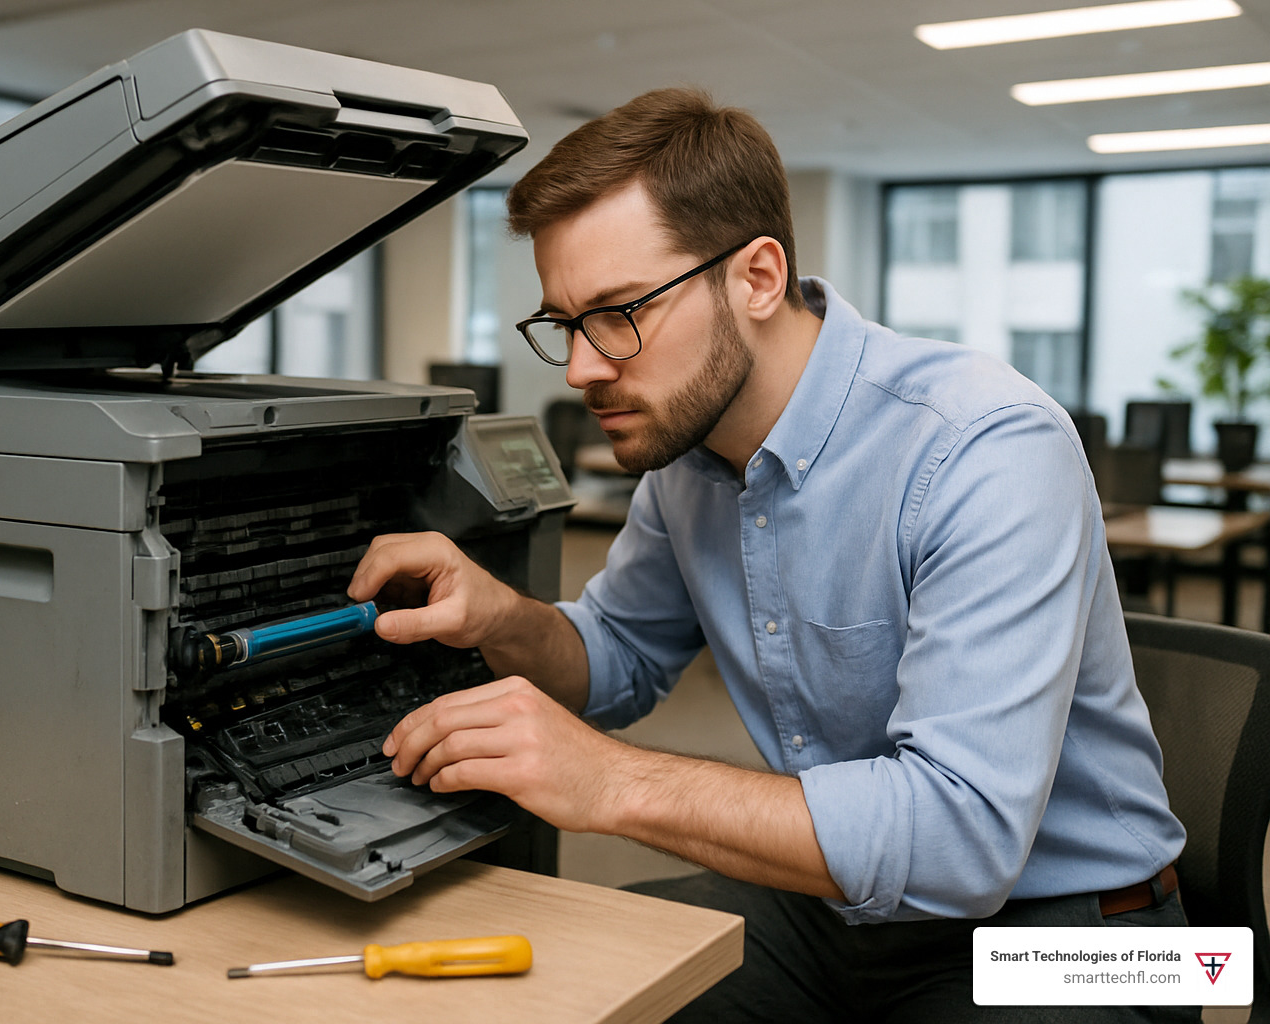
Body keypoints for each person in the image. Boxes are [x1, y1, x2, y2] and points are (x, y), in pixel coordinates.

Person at [347, 88, 1189, 1022]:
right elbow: (616, 662)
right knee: (552, 998)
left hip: (1083, 936)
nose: (583, 367)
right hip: (835, 911)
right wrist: (502, 617)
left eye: (618, 312)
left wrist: (608, 781)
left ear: (755, 277)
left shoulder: (986, 444)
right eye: (564, 324)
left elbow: (959, 840)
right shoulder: (689, 454)